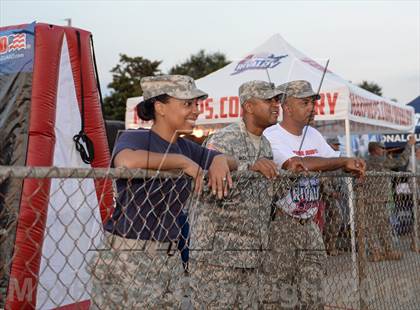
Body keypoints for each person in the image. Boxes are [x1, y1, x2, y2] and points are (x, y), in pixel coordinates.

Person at [89, 75, 237, 309]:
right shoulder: (138, 137)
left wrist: (219, 160)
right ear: (160, 107)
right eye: (187, 104)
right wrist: (180, 162)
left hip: (169, 253)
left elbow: (232, 161)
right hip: (130, 251)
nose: (196, 111)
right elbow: (126, 162)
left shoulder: (186, 146)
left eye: (196, 104)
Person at [263, 80, 365, 309]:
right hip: (278, 224)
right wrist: (341, 161)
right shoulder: (272, 136)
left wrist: (351, 163)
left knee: (313, 289)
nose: (312, 107)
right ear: (286, 107)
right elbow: (295, 164)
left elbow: (333, 161)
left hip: (309, 223)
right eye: (305, 102)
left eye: (313, 102)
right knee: (277, 293)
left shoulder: (314, 135)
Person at [189, 80, 284, 309]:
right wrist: (250, 168)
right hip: (218, 258)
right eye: (269, 100)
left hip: (251, 254)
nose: (276, 105)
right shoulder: (223, 139)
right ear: (249, 106)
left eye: (277, 100)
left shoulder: (266, 145)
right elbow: (209, 190)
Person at [363, 136, 415, 261]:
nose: (384, 150)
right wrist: (409, 145)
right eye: (382, 148)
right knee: (375, 228)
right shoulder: (378, 160)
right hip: (372, 200)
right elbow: (401, 161)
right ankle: (378, 252)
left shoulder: (371, 160)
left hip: (375, 199)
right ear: (375, 150)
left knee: (382, 227)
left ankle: (385, 251)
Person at [323, 137, 346, 256]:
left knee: (335, 220)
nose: (337, 147)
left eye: (337, 145)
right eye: (335, 145)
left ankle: (330, 246)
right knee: (335, 219)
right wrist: (332, 192)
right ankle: (328, 247)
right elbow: (323, 181)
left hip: (334, 194)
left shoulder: (335, 160)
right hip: (326, 196)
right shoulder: (325, 159)